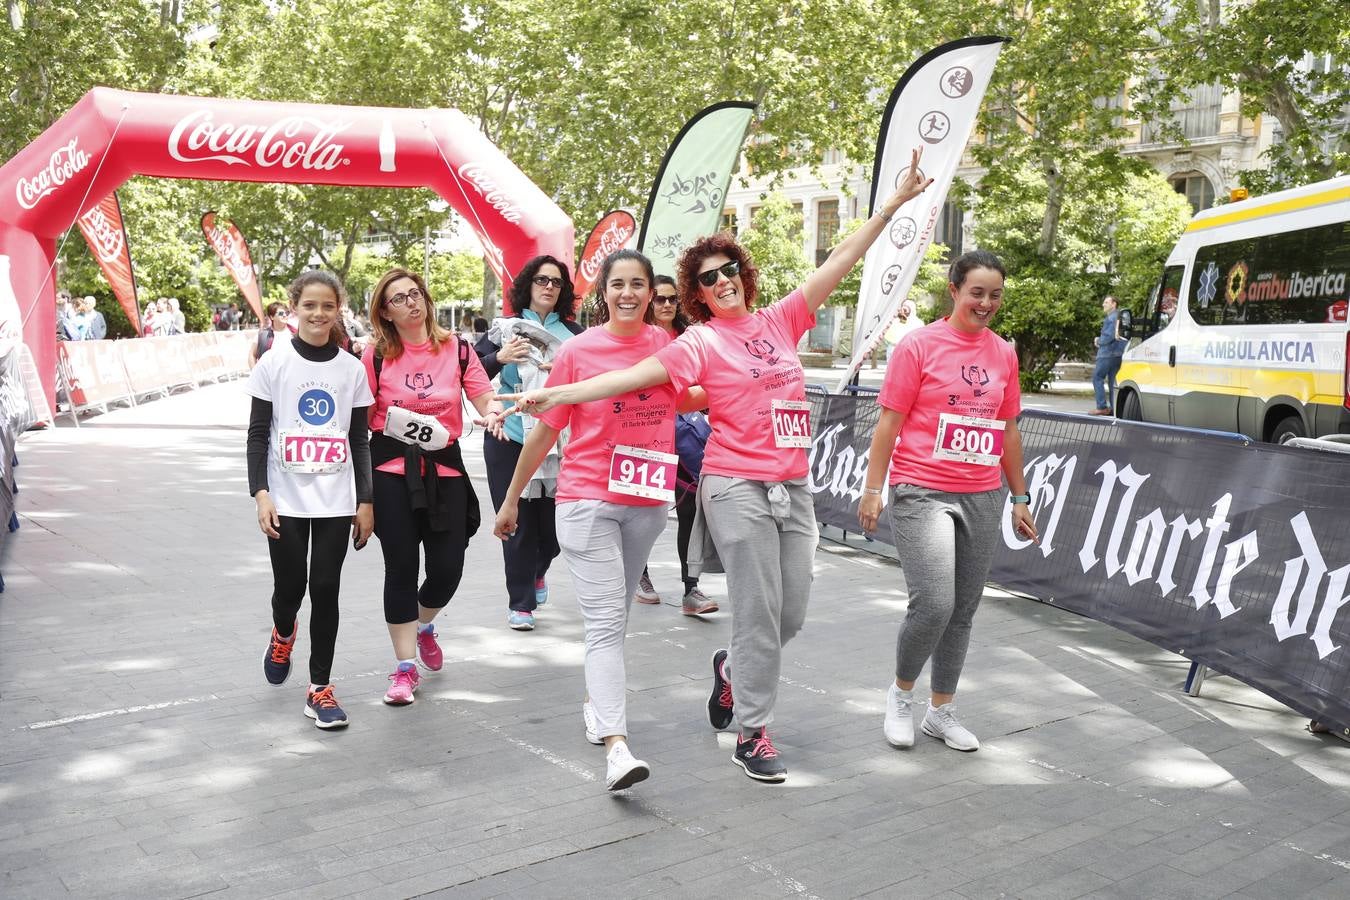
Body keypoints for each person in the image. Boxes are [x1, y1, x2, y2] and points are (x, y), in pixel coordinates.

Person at [504, 148, 934, 782]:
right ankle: (752, 733)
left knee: (791, 615)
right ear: (696, 294)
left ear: (744, 274)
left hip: (794, 486)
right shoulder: (697, 342)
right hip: (734, 485)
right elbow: (634, 377)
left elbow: (841, 259)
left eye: (729, 269)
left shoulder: (783, 320)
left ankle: (733, 670)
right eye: (707, 278)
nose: (722, 280)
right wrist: (562, 393)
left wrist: (892, 206)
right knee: (758, 610)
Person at [494, 250, 701, 790]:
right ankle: (617, 746)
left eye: (640, 285)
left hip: (647, 503)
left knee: (615, 620)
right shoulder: (577, 351)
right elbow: (545, 430)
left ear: (652, 295)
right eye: (619, 285)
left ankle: (595, 703)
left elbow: (685, 400)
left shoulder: (671, 348)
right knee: (608, 623)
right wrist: (513, 497)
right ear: (602, 293)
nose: (629, 294)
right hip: (587, 501)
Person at [857, 250, 1038, 753]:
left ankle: (941, 711)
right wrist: (874, 489)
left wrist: (1019, 496)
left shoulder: (1003, 352)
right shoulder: (918, 347)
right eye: (976, 292)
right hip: (922, 490)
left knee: (963, 610)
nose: (985, 303)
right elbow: (889, 424)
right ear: (954, 290)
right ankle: (901, 695)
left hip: (982, 493)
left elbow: (1007, 429)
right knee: (934, 603)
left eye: (995, 294)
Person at [363, 268, 502, 706]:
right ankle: (404, 668)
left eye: (415, 293)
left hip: (444, 466)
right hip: (389, 468)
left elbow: (483, 397)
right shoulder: (376, 355)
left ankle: (424, 624)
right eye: (398, 298)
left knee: (447, 569)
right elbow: (359, 416)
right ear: (384, 312)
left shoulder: (458, 349)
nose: (411, 302)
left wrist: (492, 414)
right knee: (400, 567)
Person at [245, 270, 374, 730]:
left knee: (325, 587)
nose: (319, 314)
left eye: (327, 306)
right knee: (291, 589)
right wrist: (261, 493)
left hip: (336, 498)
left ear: (338, 309)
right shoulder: (273, 364)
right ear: (293, 308)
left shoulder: (352, 369)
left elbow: (359, 439)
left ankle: (319, 687)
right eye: (309, 306)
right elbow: (258, 435)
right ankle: (283, 632)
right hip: (285, 497)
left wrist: (366, 500)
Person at [474, 256, 584, 631]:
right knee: (516, 523)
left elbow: (596, 380)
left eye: (556, 281)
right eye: (541, 279)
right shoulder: (501, 329)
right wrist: (498, 357)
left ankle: (539, 570)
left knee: (553, 531)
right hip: (510, 435)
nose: (548, 286)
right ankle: (520, 602)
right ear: (528, 284)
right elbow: (466, 372)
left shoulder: (576, 333)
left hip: (561, 440)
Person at [632, 274, 718, 615]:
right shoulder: (636, 340)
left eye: (672, 299)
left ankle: (690, 588)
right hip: (643, 440)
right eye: (660, 299)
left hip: (685, 443)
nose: (667, 305)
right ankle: (640, 574)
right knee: (643, 517)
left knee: (689, 513)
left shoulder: (690, 339)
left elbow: (707, 382)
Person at [1090, 295, 1127, 415]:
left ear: (1114, 304)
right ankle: (1114, 408)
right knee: (1112, 381)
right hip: (1117, 354)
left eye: (1106, 302)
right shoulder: (1119, 317)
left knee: (1097, 377)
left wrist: (1098, 341)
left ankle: (1101, 407)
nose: (1103, 304)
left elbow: (1108, 337)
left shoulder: (1112, 318)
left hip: (1107, 354)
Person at [250, 302, 292, 369]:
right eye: (281, 313)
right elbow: (252, 355)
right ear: (272, 317)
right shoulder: (262, 334)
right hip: (268, 376)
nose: (284, 315)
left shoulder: (295, 333)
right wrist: (255, 374)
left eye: (287, 313)